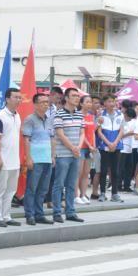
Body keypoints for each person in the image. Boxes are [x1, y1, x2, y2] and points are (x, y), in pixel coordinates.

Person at [52, 87, 85, 222]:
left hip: (76, 153)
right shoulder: (59, 114)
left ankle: (70, 212)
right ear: (66, 98)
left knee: (72, 184)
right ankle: (56, 212)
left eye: (78, 96)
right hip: (63, 154)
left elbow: (82, 133)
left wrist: (78, 147)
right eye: (74, 96)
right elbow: (59, 134)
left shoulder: (80, 115)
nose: (77, 98)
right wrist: (72, 147)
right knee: (59, 184)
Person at [22, 92, 55, 225]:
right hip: (35, 159)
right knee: (32, 188)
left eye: (47, 102)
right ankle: (29, 215)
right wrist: (28, 158)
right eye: (42, 102)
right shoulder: (30, 119)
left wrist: (53, 156)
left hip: (47, 159)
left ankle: (39, 214)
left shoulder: (49, 119)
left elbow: (52, 139)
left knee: (43, 189)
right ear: (35, 104)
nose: (46, 104)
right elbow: (26, 140)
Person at [0, 87, 23, 227]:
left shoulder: (17, 115)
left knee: (11, 190)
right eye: (15, 97)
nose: (18, 100)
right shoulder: (0, 116)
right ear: (7, 99)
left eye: (19, 97)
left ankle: (6, 216)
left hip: (14, 160)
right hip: (3, 160)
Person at [96, 95, 122, 203]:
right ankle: (102, 193)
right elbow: (99, 131)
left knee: (115, 171)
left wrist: (115, 143)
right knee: (103, 170)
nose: (112, 103)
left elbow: (122, 130)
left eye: (114, 101)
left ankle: (115, 193)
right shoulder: (101, 115)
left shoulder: (119, 114)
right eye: (110, 101)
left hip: (117, 145)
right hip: (104, 146)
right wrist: (108, 143)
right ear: (105, 103)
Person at [76, 94, 96, 205]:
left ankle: (83, 195)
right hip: (81, 147)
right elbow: (81, 134)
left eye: (90, 102)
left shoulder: (91, 116)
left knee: (86, 173)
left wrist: (94, 145)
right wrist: (89, 145)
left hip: (90, 149)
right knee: (78, 173)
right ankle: (76, 195)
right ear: (81, 103)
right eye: (87, 102)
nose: (89, 104)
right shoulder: (78, 116)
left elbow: (92, 132)